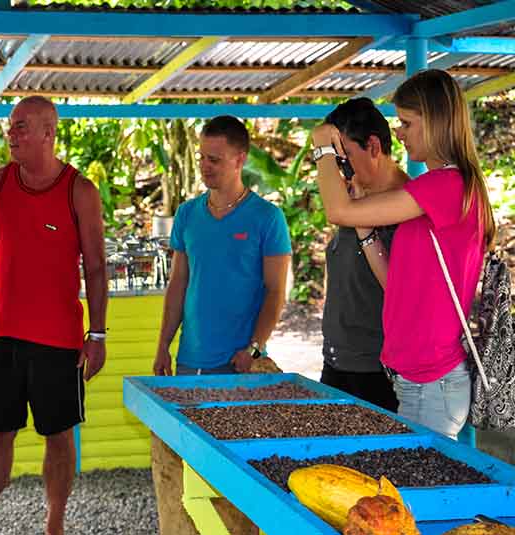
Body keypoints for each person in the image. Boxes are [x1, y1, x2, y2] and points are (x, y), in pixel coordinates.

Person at [312, 69, 496, 439]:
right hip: (416, 377)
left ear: (436, 122)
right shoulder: (439, 188)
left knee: (418, 495)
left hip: (433, 380)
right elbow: (394, 281)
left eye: (406, 123)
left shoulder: (446, 185)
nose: (398, 133)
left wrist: (322, 149)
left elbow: (337, 212)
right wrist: (365, 227)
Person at [0, 96, 108, 535]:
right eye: (10, 127)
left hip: (60, 341)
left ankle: (54, 523)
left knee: (58, 437)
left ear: (47, 132)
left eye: (21, 126)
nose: (11, 134)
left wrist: (97, 335)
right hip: (2, 334)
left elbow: (96, 267)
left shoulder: (81, 189)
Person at [153, 115, 292, 377]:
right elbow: (178, 285)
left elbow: (275, 292)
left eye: (214, 160)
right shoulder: (186, 214)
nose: (205, 166)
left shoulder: (268, 217)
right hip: (189, 358)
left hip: (240, 361)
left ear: (240, 159)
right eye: (201, 157)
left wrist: (253, 349)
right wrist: (163, 346)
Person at [319, 98, 409, 413]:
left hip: (379, 371)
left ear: (373, 146)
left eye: (344, 158)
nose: (340, 171)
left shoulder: (408, 206)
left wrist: (321, 145)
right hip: (337, 362)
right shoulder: (356, 199)